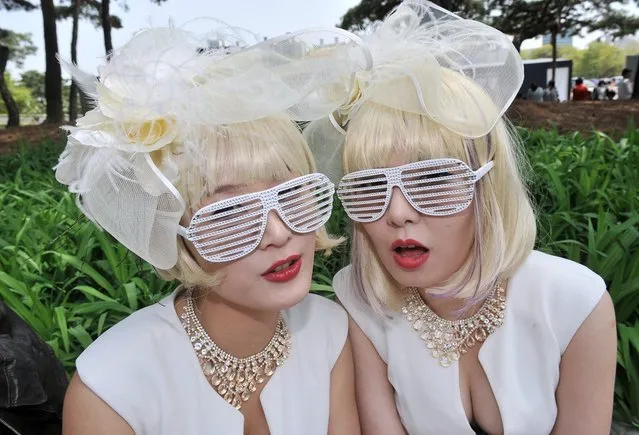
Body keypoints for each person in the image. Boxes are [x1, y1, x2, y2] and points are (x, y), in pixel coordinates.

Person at [305, 1, 617, 434]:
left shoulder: (573, 303)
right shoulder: (360, 301)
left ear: (486, 184)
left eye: (432, 179)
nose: (397, 212)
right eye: (370, 186)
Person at [57, 24, 372, 435]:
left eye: (293, 193)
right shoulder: (111, 387)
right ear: (176, 233)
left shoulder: (329, 332)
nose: (278, 233)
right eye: (231, 212)